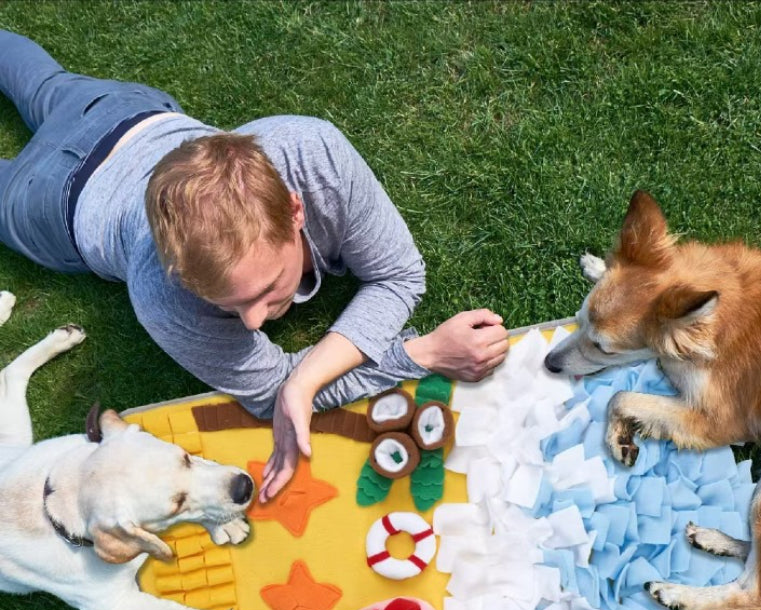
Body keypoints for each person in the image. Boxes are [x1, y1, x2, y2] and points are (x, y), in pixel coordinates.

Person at [0, 30, 509, 501]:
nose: (254, 322)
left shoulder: (317, 156)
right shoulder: (162, 293)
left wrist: (305, 381)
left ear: (294, 208)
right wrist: (421, 354)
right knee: (39, 91)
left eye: (266, 289)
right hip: (52, 204)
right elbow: (272, 396)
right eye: (231, 304)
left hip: (125, 113)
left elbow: (398, 276)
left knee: (45, 82)